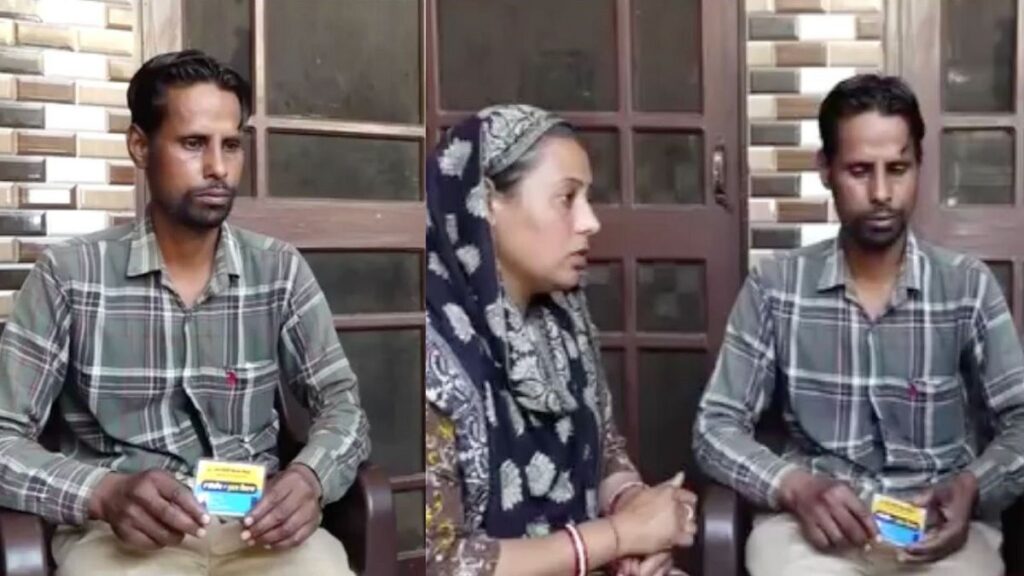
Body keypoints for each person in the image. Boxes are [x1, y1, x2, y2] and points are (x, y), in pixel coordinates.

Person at [0, 50, 369, 576]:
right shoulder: (70, 275)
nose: (218, 167)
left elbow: (342, 405)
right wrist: (101, 493)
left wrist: (311, 477)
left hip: (257, 527)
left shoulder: (279, 270)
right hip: (121, 536)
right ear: (140, 146)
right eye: (193, 143)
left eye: (231, 145)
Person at [695, 74, 1024, 576]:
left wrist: (974, 486)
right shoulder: (775, 287)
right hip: (811, 531)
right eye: (859, 170)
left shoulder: (967, 286)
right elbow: (714, 428)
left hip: (939, 531)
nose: (881, 192)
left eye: (898, 169)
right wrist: (794, 487)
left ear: (920, 166)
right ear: (825, 169)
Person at [425, 104, 697, 576]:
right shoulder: (430, 350)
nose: (590, 222)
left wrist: (634, 506)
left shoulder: (563, 321)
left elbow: (605, 448)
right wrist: (618, 537)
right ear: (486, 202)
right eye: (567, 198)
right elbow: (441, 563)